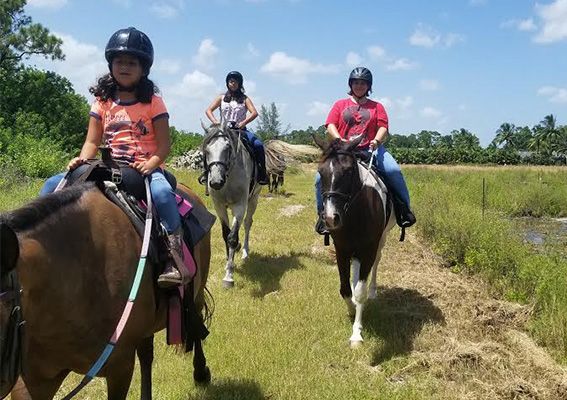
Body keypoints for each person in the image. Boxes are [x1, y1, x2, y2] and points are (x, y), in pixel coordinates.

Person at [40, 27, 186, 288]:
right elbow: (92, 141)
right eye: (119, 61)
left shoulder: (153, 102)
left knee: (163, 195)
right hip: (107, 164)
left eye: (132, 62)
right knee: (52, 185)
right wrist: (82, 160)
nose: (125, 66)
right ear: (110, 65)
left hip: (144, 167)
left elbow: (164, 145)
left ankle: (172, 255)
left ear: (144, 68)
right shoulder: (102, 101)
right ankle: (39, 244)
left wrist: (151, 164)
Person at [315, 66, 416, 234]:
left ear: (369, 86)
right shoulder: (340, 104)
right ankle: (322, 216)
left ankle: (403, 211)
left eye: (363, 83)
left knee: (393, 170)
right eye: (355, 82)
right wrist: (340, 140)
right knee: (319, 179)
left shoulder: (377, 107)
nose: (359, 86)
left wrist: (377, 140)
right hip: (344, 151)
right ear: (350, 84)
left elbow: (383, 127)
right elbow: (330, 125)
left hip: (371, 148)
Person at [203, 70, 269, 185]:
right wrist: (215, 122)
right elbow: (208, 110)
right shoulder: (221, 98)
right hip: (223, 130)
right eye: (230, 81)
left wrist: (244, 122)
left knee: (258, 145)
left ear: (240, 84)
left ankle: (262, 174)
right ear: (227, 83)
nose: (232, 84)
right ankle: (205, 173)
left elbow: (254, 113)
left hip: (240, 131)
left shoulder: (245, 99)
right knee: (207, 146)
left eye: (235, 82)